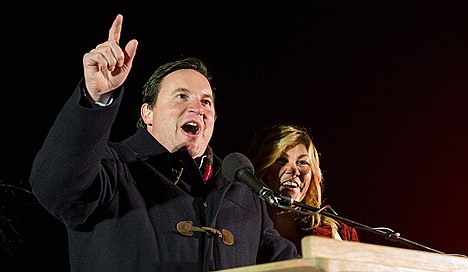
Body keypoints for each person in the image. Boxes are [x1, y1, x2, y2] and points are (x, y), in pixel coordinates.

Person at [29, 14, 297, 272]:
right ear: (148, 113)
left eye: (206, 102)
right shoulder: (111, 169)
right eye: (181, 96)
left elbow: (287, 264)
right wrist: (95, 97)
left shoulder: (241, 192)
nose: (198, 108)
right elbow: (56, 185)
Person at [246, 124, 359, 255]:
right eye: (281, 160)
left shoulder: (339, 233)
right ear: (263, 167)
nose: (294, 170)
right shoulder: (241, 230)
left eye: (302, 162)